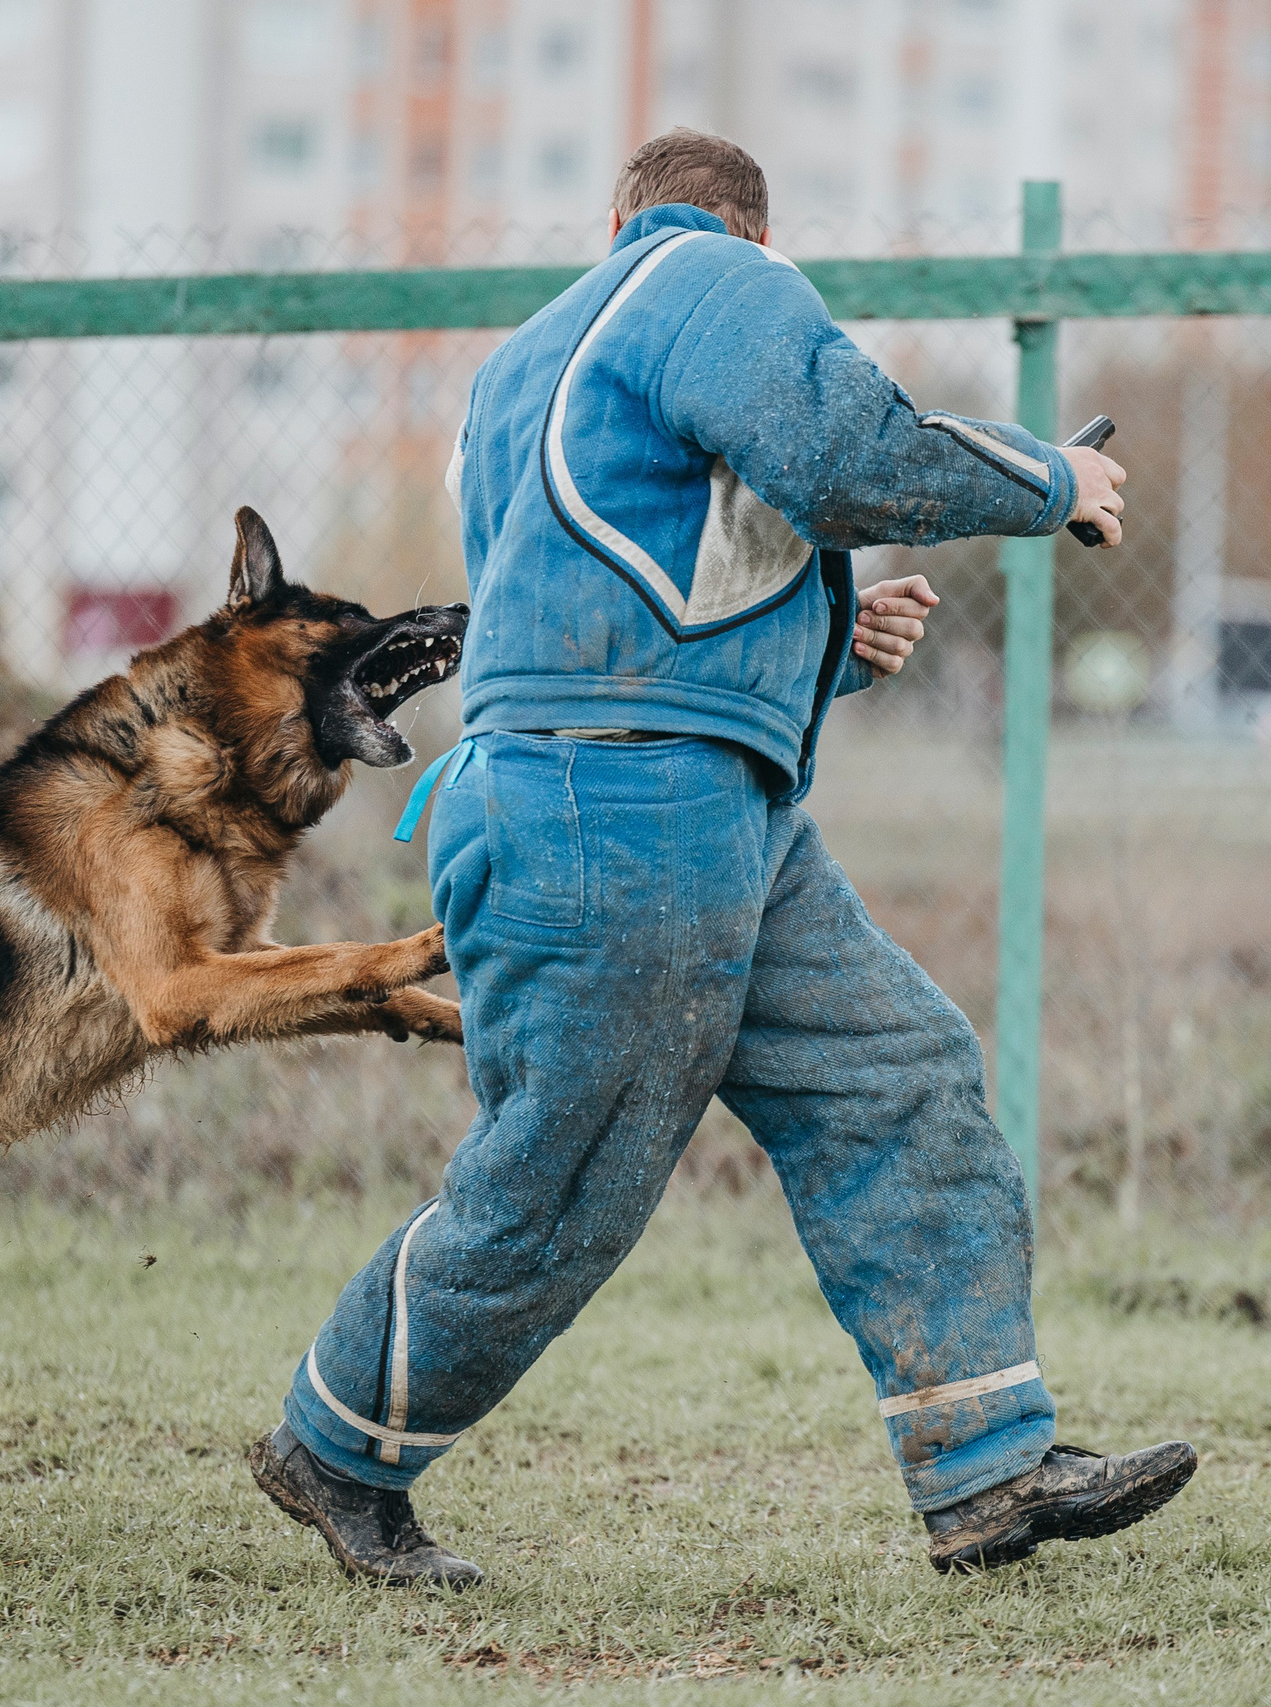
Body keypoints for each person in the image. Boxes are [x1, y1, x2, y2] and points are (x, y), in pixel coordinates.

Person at [251, 129, 1194, 1585]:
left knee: (895, 1073)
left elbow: (603, 611)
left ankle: (987, 1466)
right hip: (622, 815)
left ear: (610, 215)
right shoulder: (714, 283)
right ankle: (336, 1443)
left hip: (667, 798)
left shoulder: (528, 366)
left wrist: (831, 647)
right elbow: (844, 453)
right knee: (561, 1179)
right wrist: (1048, 475)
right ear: (743, 231)